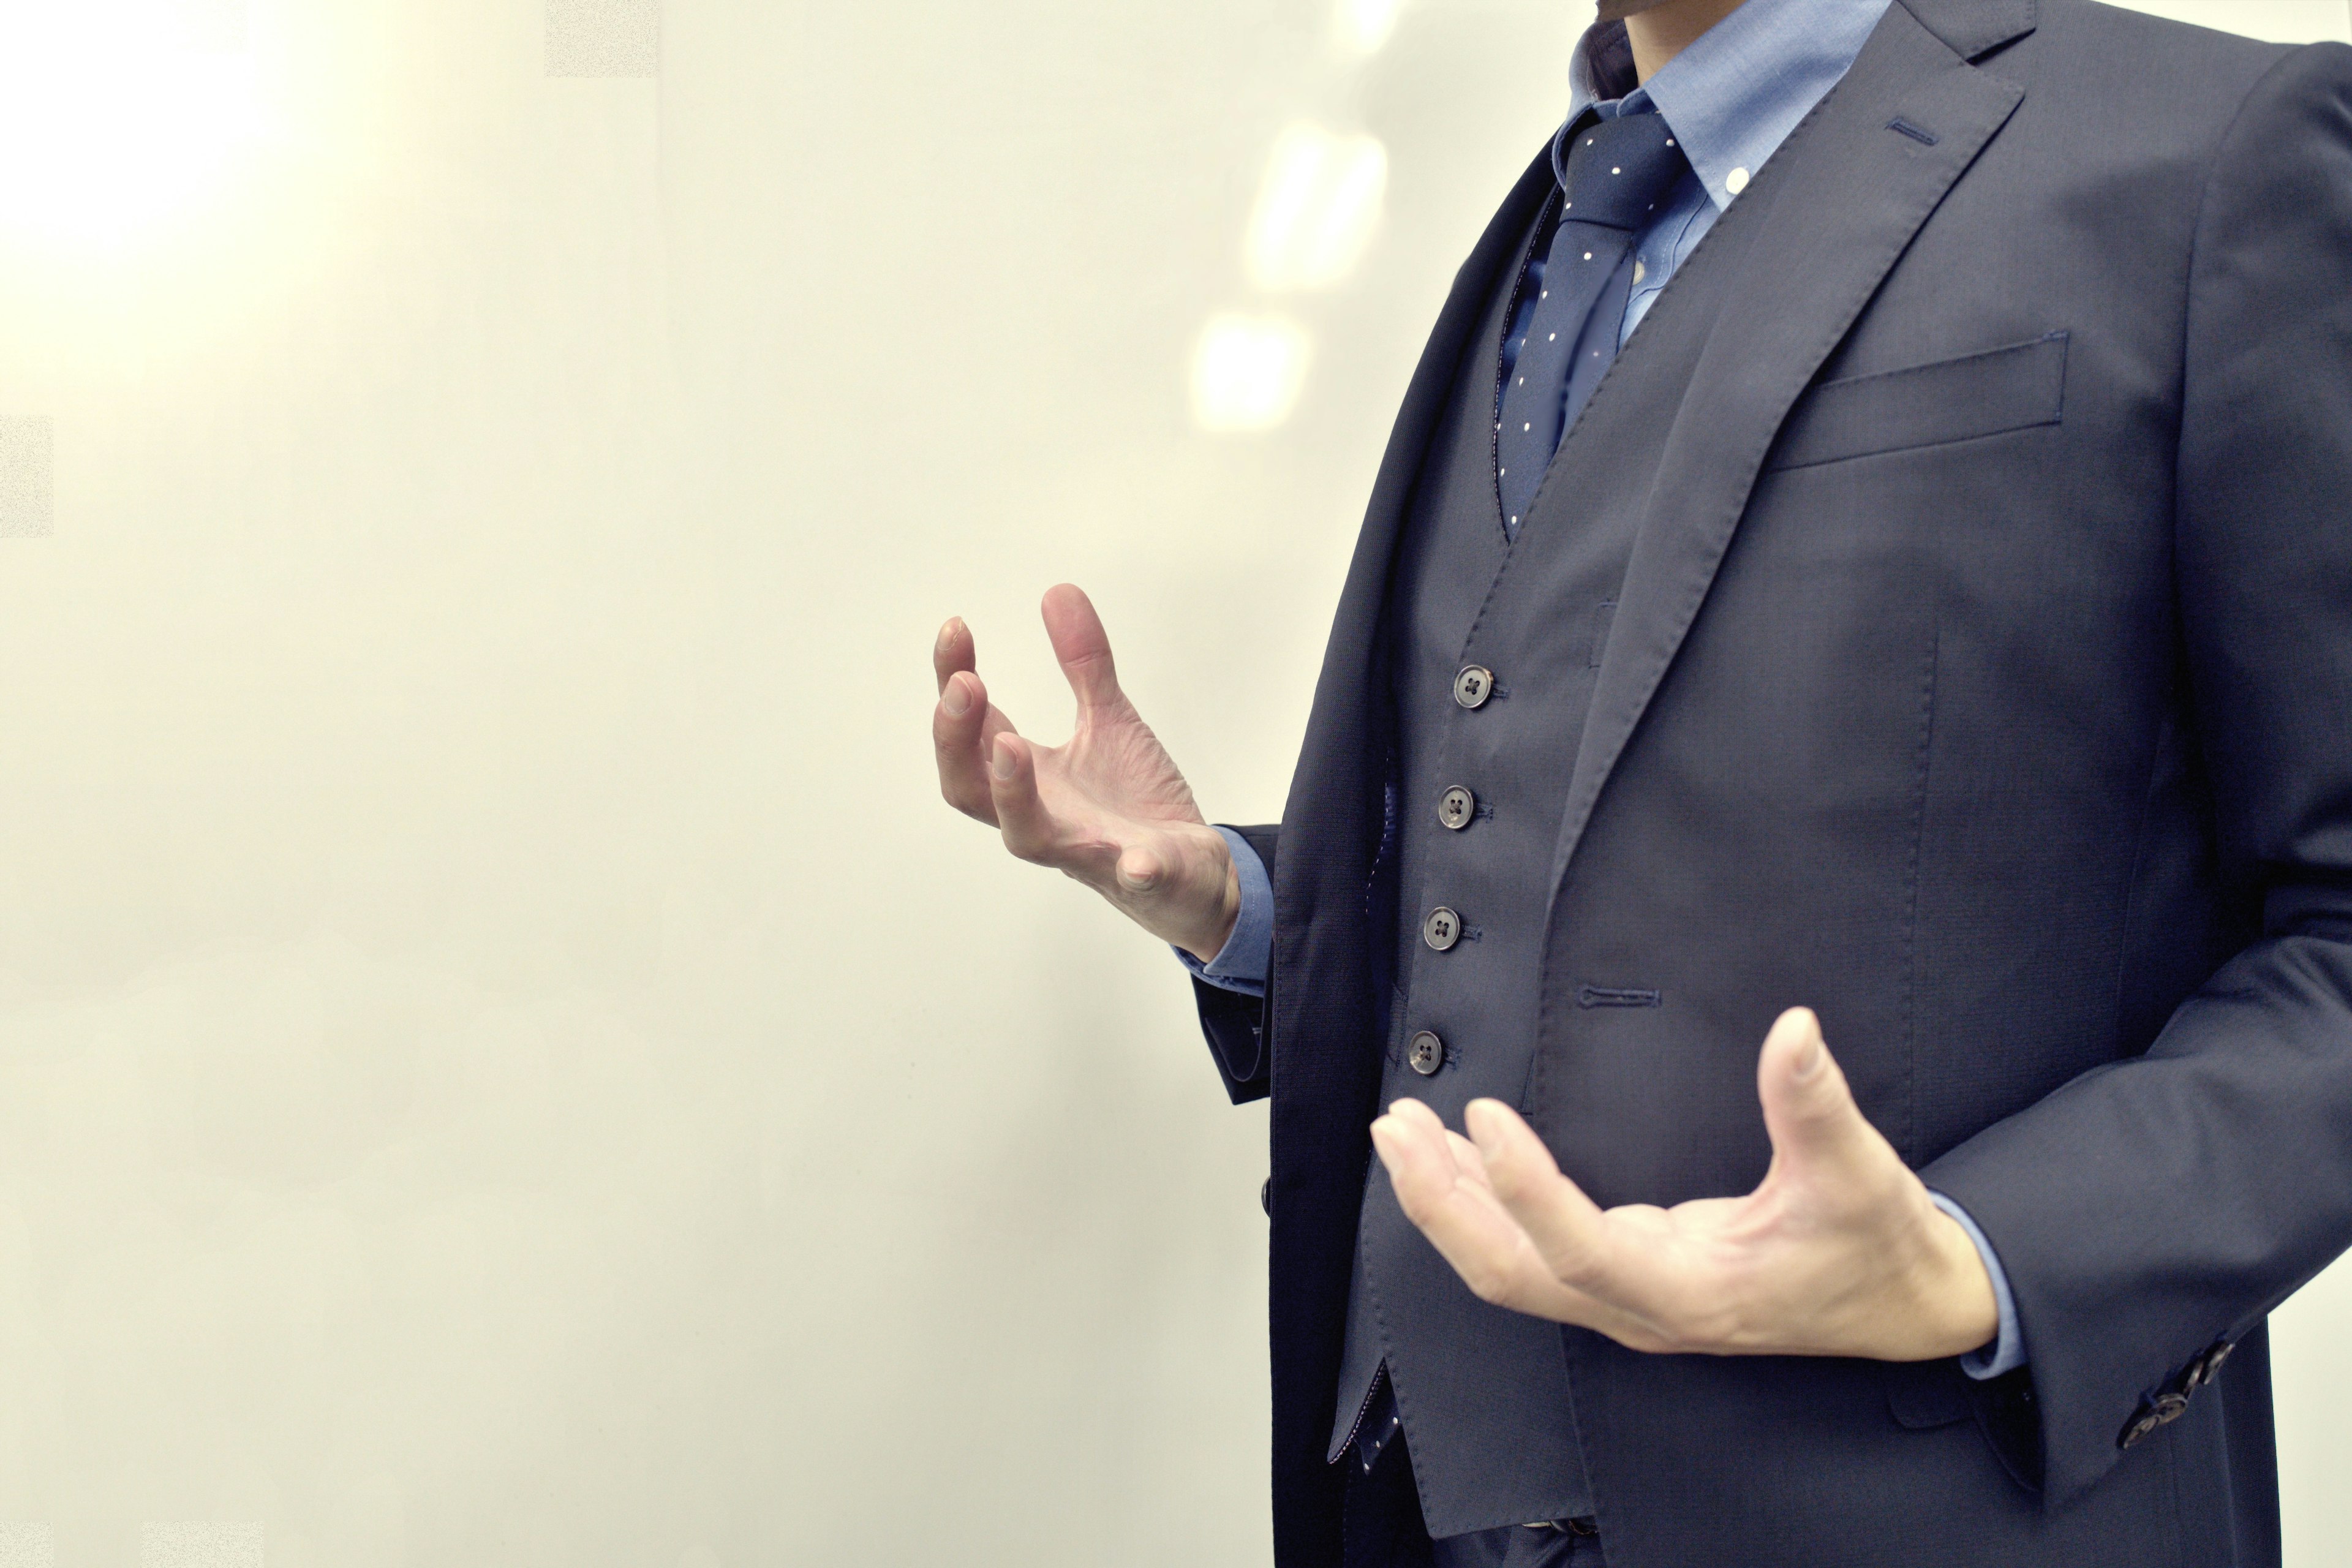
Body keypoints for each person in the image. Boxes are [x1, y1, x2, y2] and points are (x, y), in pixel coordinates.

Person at [930, 0, 2352, 1561]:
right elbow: (1557, 805)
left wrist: (1981, 1256)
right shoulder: (1555, 228)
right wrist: (1251, 903)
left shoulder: (2216, 152)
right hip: (1405, 1493)